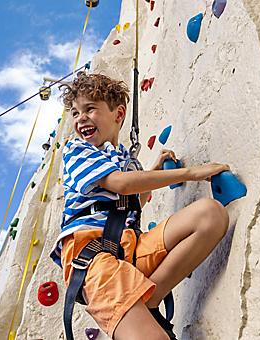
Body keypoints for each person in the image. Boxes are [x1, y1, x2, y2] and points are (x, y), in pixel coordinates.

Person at [49, 72, 230, 340]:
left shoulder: (124, 159)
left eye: (90, 109)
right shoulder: (77, 151)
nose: (80, 119)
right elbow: (121, 184)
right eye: (75, 113)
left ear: (118, 113)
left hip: (130, 247)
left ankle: (150, 298)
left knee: (210, 215)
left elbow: (135, 199)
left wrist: (153, 170)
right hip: (93, 255)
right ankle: (140, 312)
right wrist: (191, 173)